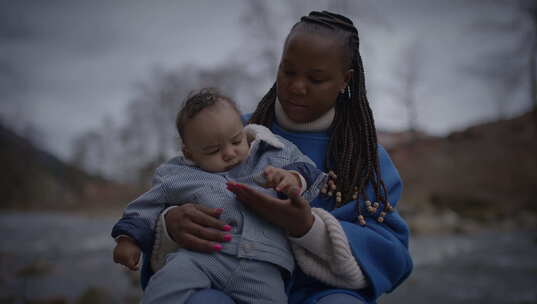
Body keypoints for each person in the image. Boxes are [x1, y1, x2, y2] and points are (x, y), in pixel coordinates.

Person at [146, 10, 413, 304]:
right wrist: (170, 226)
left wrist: (307, 227)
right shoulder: (234, 136)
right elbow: (169, 190)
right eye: (288, 71)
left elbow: (392, 253)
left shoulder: (364, 157)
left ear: (344, 80)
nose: (297, 86)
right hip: (226, 282)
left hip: (326, 293)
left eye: (316, 78)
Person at [111, 88, 329, 304]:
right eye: (213, 150)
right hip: (202, 256)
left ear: (244, 130)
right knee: (164, 285)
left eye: (236, 141)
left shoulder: (271, 153)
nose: (229, 153)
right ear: (189, 153)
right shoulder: (177, 174)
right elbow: (147, 206)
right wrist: (128, 239)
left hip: (263, 265)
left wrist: (293, 178)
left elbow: (308, 170)